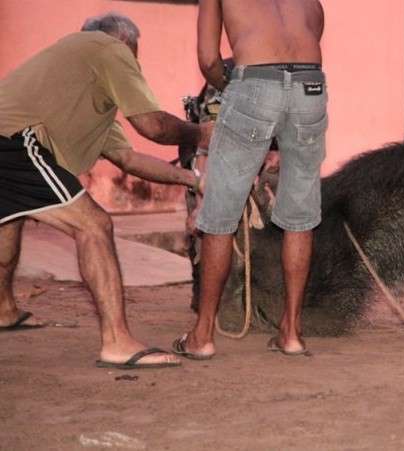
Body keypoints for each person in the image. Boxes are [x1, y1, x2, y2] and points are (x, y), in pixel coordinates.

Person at [0, 13, 213, 369]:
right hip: (12, 142)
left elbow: (129, 159)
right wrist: (202, 133)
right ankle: (116, 341)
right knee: (94, 226)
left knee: (10, 219)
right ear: (124, 43)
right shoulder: (108, 48)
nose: (135, 64)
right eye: (134, 55)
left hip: (8, 141)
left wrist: (195, 181)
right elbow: (154, 126)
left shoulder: (86, 90)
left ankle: (4, 309)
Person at [173, 0, 327, 359]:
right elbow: (311, 34)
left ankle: (202, 335)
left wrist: (235, 90)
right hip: (310, 85)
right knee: (300, 214)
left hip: (255, 81)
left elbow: (209, 59)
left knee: (219, 217)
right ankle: (291, 333)